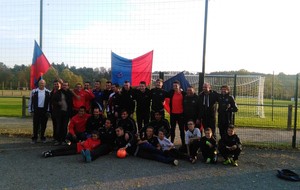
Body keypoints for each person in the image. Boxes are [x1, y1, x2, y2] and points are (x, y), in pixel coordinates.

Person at [28, 79, 51, 144]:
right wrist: (30, 110)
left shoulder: (48, 92)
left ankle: (42, 138)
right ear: (38, 84)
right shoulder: (34, 91)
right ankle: (34, 138)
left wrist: (48, 111)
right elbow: (30, 101)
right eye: (40, 83)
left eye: (43, 83)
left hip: (44, 110)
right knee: (35, 125)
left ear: (45, 84)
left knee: (43, 125)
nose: (41, 84)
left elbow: (49, 103)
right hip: (36, 110)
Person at [51, 81, 73, 145]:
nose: (65, 86)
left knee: (65, 126)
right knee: (58, 126)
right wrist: (58, 103)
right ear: (62, 86)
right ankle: (58, 140)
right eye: (63, 85)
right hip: (59, 113)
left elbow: (71, 103)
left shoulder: (70, 93)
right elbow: (52, 101)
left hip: (66, 113)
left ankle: (63, 140)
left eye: (66, 85)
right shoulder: (58, 92)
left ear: (68, 86)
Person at [168, 80, 186, 145]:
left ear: (179, 86)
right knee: (172, 129)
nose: (175, 87)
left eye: (176, 85)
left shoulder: (183, 93)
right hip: (173, 114)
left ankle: (183, 144)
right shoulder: (171, 93)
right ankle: (171, 143)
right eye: (173, 86)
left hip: (181, 114)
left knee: (181, 130)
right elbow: (164, 95)